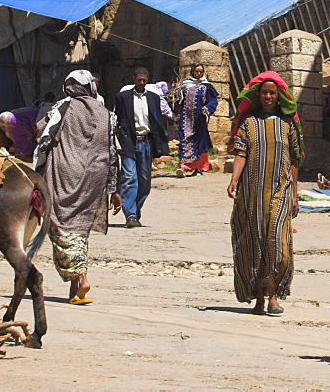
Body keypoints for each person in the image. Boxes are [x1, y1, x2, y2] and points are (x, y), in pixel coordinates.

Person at [33, 70, 122, 305]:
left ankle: (81, 278)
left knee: (61, 225)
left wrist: (37, 170)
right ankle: (74, 292)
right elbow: (113, 152)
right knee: (80, 227)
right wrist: (114, 189)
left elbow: (45, 136)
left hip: (63, 173)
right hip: (94, 177)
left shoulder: (63, 107)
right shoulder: (105, 113)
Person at [227, 71, 302, 316]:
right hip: (252, 193)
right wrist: (234, 179)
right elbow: (240, 153)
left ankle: (275, 293)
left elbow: (294, 159)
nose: (269, 96)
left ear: (279, 96)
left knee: (277, 244)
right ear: (258, 96)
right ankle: (261, 297)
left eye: (273, 93)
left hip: (281, 190)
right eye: (265, 93)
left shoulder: (288, 125)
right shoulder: (248, 125)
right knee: (255, 242)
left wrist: (295, 194)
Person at [114, 67, 169, 228]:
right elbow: (118, 120)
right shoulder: (122, 97)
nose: (142, 82)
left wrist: (160, 143)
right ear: (133, 79)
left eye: (144, 80)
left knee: (144, 180)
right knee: (129, 177)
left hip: (146, 143)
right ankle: (129, 214)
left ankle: (136, 211)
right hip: (129, 143)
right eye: (139, 80)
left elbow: (157, 120)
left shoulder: (153, 98)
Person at [176, 64, 219, 176]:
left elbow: (212, 101)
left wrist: (206, 109)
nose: (199, 74)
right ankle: (183, 167)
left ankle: (198, 168)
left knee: (198, 143)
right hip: (185, 119)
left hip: (199, 119)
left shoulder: (206, 86)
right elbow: (178, 100)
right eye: (197, 72)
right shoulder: (185, 85)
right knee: (184, 140)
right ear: (192, 72)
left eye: (201, 72)